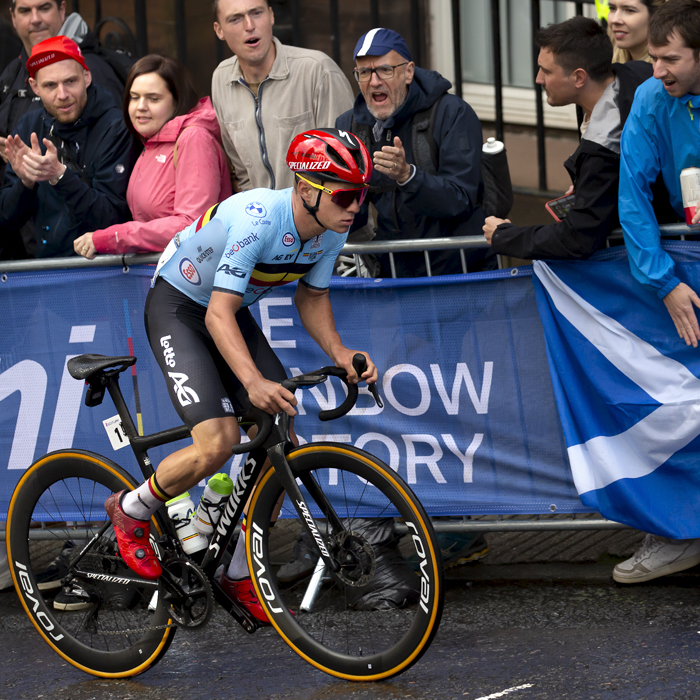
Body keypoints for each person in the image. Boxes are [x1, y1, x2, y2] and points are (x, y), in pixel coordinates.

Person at [100, 128, 378, 623]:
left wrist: (339, 350)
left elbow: (311, 296)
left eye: (362, 193)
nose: (355, 205)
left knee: (279, 433)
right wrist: (251, 382)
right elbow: (215, 316)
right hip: (181, 308)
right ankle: (133, 508)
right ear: (307, 189)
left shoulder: (331, 228)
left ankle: (237, 570)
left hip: (227, 312)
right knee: (219, 441)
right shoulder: (257, 220)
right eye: (346, 194)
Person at [615, 0, 700, 583]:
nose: (657, 70)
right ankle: (679, 533)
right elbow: (632, 198)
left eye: (670, 59)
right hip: (684, 268)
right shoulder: (649, 97)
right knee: (678, 408)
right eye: (652, 58)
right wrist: (663, 281)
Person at [483, 16, 653, 260]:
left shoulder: (603, 147)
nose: (538, 79)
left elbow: (578, 238)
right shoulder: (632, 74)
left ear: (579, 78)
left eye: (546, 71)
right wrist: (590, 185)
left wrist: (504, 236)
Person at [336, 28, 489, 278]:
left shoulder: (453, 114)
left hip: (460, 271)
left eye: (385, 70)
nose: (374, 81)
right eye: (364, 72)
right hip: (397, 276)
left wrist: (408, 176)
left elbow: (460, 199)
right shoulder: (350, 126)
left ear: (408, 72)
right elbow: (353, 213)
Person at [73, 55, 232, 258]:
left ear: (177, 100)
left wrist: (113, 238)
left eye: (153, 98)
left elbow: (192, 224)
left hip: (194, 278)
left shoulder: (194, 138)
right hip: (163, 274)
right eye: (134, 96)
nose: (141, 106)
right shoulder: (151, 141)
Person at [0, 35, 134, 257]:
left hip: (103, 272)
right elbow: (6, 219)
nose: (62, 95)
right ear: (34, 87)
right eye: (50, 85)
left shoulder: (116, 127)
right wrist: (25, 183)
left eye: (70, 81)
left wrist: (60, 176)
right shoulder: (29, 125)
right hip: (45, 271)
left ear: (87, 77)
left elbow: (112, 218)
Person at [210, 0, 354, 192]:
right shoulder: (221, 78)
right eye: (235, 19)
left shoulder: (317, 70)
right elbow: (243, 173)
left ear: (271, 16)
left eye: (256, 13)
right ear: (219, 30)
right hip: (263, 217)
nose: (249, 26)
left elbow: (346, 165)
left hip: (322, 216)